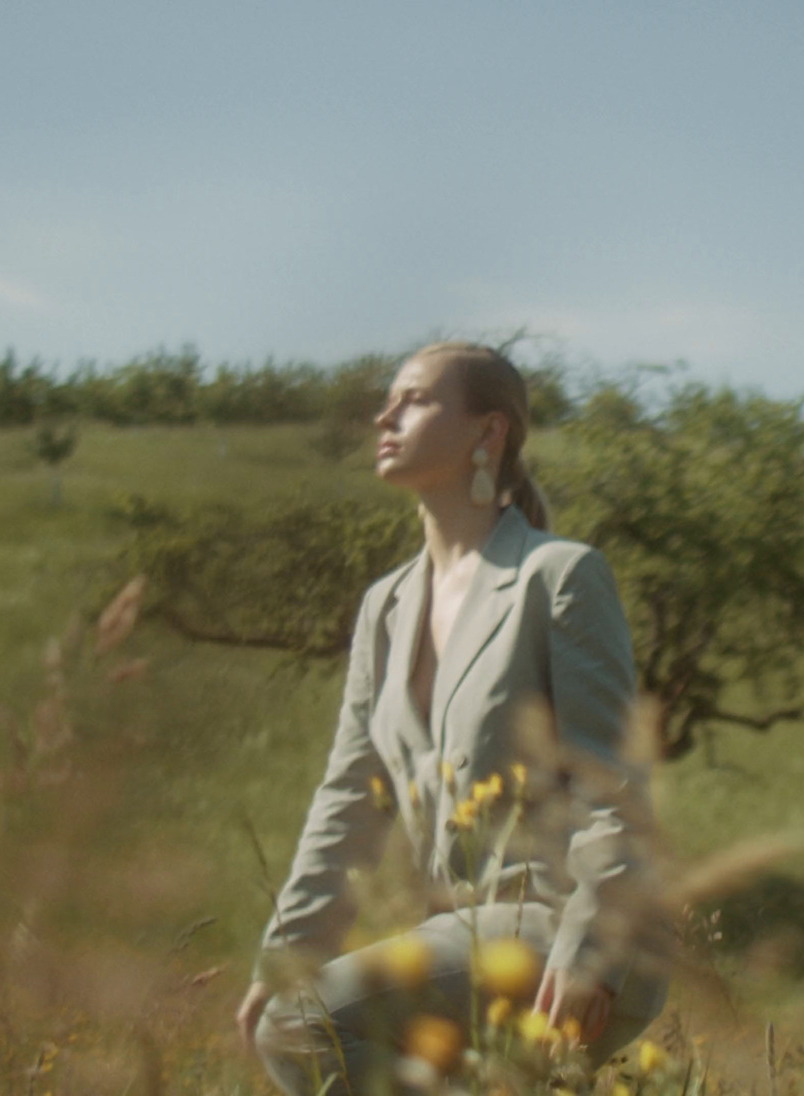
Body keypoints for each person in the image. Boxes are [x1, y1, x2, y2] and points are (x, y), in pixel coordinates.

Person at [236, 341, 668, 1094]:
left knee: (307, 1024)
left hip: (562, 925)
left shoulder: (557, 577)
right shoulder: (386, 607)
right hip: (457, 938)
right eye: (389, 400)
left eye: (415, 399)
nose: (385, 414)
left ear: (487, 432)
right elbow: (347, 800)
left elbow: (613, 785)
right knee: (301, 1015)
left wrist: (589, 952)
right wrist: (289, 953)